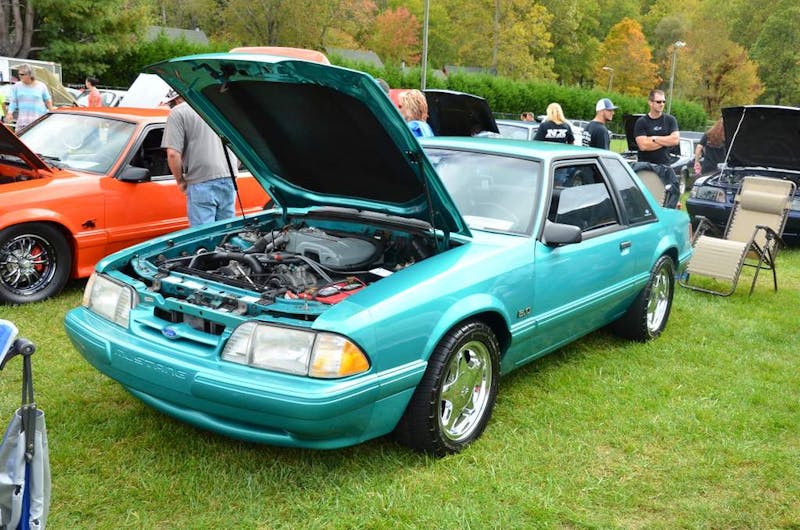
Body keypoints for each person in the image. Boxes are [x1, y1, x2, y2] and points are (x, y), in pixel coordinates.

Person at [161, 90, 238, 227]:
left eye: (171, 103)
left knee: (204, 236)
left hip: (201, 180)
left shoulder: (179, 112)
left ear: (178, 98)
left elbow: (173, 153)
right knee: (227, 233)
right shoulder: (218, 108)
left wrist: (180, 181)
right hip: (229, 177)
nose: (171, 106)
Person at [634, 89, 679, 165]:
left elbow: (675, 140)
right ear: (650, 103)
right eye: (658, 102)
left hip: (664, 166)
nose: (662, 104)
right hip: (645, 167)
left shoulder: (670, 120)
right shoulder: (641, 122)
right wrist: (666, 141)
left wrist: (654, 138)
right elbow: (643, 146)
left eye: (663, 102)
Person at [4, 64, 54, 130]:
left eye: (22, 74)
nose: (19, 76)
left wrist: (52, 113)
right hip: (22, 121)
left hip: (38, 121)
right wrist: (9, 113)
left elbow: (48, 100)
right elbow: (13, 101)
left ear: (30, 74)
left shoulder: (41, 86)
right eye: (19, 74)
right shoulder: (16, 86)